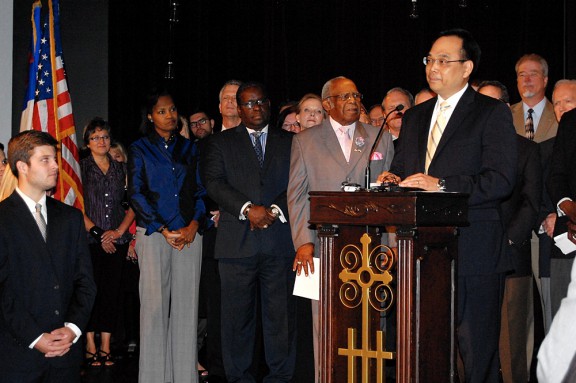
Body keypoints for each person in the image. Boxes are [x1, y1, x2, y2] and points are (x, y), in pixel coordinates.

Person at [381, 29, 517, 383]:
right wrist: (392, 180)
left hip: (475, 250)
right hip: (422, 254)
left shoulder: (491, 113)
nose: (433, 67)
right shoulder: (414, 117)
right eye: (430, 60)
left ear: (467, 67)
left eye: (444, 60)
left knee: (477, 353)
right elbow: (402, 171)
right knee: (428, 350)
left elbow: (500, 180)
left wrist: (441, 185)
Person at [288, 76, 394, 382]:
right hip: (324, 248)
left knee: (372, 322)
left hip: (370, 251)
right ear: (327, 104)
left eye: (355, 95)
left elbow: (389, 197)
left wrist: (388, 245)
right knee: (327, 323)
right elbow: (296, 196)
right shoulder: (305, 141)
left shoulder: (379, 137)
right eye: (344, 96)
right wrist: (303, 243)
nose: (352, 101)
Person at [203, 81, 297, 382]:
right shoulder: (221, 142)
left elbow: (299, 182)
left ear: (269, 104)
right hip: (236, 246)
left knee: (279, 321)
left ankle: (280, 378)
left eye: (261, 102)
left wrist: (274, 210)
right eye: (249, 104)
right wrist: (247, 208)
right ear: (239, 109)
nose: (256, 108)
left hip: (279, 242)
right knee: (236, 322)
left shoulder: (292, 141)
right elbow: (214, 183)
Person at [0, 130, 96, 382]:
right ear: (22, 166)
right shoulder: (2, 218)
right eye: (46, 159)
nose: (56, 166)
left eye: (55, 158)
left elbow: (85, 282)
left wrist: (72, 329)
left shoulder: (71, 218)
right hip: (18, 356)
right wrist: (35, 337)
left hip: (66, 355)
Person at [128, 88, 206, 383]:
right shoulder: (139, 148)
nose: (169, 115)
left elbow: (200, 192)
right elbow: (136, 193)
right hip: (154, 234)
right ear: (150, 116)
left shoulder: (190, 148)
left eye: (172, 109)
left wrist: (193, 226)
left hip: (189, 235)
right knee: (154, 310)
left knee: (187, 310)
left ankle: (185, 378)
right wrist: (162, 228)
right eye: (162, 111)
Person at [479, 81, 543, 383]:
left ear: (505, 109)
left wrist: (506, 239)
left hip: (510, 256)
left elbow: (531, 203)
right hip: (472, 258)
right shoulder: (470, 151)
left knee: (512, 344)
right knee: (471, 342)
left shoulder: (527, 149)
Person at [80, 118, 135, 368]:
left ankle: (106, 347)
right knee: (90, 292)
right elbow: (75, 205)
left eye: (104, 137)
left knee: (111, 294)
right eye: (95, 137)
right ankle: (90, 346)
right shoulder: (80, 168)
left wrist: (118, 232)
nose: (101, 141)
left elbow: (135, 204)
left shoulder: (122, 169)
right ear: (87, 143)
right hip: (89, 241)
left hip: (118, 238)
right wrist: (98, 234)